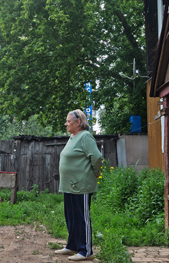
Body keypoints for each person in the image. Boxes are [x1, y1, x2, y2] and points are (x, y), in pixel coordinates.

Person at [55, 109, 102, 261]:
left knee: (82, 218)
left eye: (69, 121)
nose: (66, 123)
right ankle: (73, 245)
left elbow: (96, 157)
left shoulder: (85, 136)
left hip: (81, 185)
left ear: (78, 122)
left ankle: (86, 251)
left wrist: (95, 172)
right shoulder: (72, 137)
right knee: (71, 217)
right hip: (69, 185)